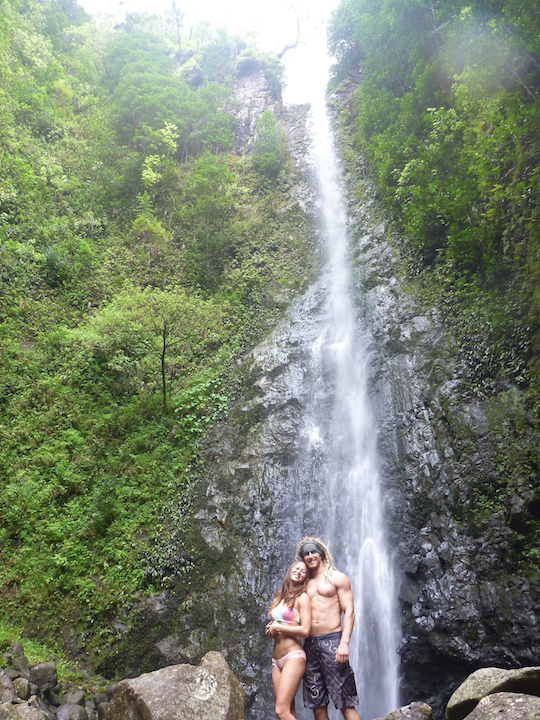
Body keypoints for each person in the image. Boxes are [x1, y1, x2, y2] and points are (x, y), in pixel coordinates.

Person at [297, 537, 361, 720]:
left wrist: (344, 643)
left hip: (333, 642)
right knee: (317, 705)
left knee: (345, 702)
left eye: (313, 552)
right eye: (306, 554)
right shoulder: (303, 584)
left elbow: (349, 611)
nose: (310, 556)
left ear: (321, 553)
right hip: (310, 645)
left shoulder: (337, 577)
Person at [266, 560, 312, 720]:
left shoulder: (303, 598)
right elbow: (279, 624)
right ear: (290, 569)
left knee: (281, 711)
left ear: (305, 578)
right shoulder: (279, 595)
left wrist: (279, 627)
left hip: (293, 657)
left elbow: (305, 630)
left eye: (303, 571)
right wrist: (272, 630)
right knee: (288, 712)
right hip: (276, 661)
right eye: (297, 568)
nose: (299, 571)